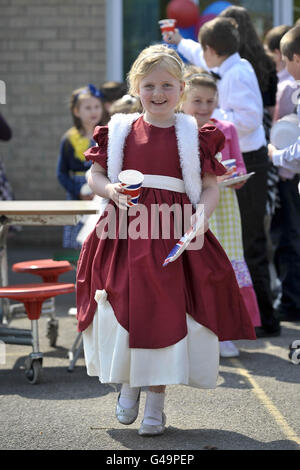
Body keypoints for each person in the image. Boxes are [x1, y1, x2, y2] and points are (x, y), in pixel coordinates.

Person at [76, 44, 256, 437]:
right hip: (125, 232)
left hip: (174, 235)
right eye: (149, 85)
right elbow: (95, 175)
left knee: (167, 315)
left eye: (168, 86)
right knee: (122, 308)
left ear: (181, 87)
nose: (158, 93)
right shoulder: (120, 130)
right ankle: (128, 385)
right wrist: (109, 192)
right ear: (136, 87)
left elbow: (210, 187)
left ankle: (156, 401)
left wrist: (200, 216)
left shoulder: (193, 135)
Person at [181, 68, 261, 358]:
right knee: (192, 269)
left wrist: (237, 176)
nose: (203, 108)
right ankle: (192, 331)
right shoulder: (179, 129)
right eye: (197, 101)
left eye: (209, 102)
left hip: (223, 205)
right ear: (183, 100)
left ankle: (222, 332)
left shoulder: (226, 129)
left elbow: (237, 165)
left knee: (223, 267)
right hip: (190, 204)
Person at [268, 25, 300, 321]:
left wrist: (276, 155)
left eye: (287, 61)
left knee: (290, 235)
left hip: (291, 174)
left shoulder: (293, 89)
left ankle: (291, 301)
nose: (285, 67)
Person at [57, 84, 107, 249]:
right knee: (76, 239)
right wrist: (77, 191)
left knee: (98, 237)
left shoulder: (108, 134)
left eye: (96, 106)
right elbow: (61, 173)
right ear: (77, 111)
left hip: (101, 191)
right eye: (88, 107)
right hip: (77, 193)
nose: (93, 111)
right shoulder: (69, 139)